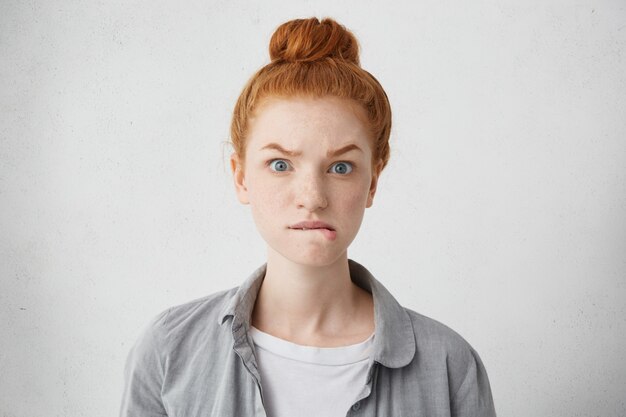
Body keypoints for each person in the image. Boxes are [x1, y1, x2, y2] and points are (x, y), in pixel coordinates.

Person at [119, 17, 497, 417]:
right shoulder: (168, 351)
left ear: (373, 182)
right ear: (241, 177)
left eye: (341, 167)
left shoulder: (449, 366)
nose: (312, 198)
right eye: (280, 165)